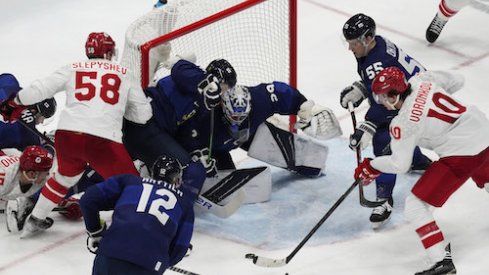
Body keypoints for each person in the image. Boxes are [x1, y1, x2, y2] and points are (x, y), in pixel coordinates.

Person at [0, 32, 153, 237]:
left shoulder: (72, 67)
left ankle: (36, 218)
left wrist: (14, 102)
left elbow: (40, 88)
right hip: (102, 140)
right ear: (108, 52)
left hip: (68, 134)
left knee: (64, 178)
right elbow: (143, 115)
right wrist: (123, 111)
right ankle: (139, 229)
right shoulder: (124, 72)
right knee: (132, 183)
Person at [354, 67, 489, 275]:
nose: (381, 102)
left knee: (416, 206)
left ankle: (440, 260)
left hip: (461, 152)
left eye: (382, 97)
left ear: (395, 94)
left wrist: (372, 166)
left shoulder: (404, 123)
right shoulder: (423, 79)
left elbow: (400, 165)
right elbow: (458, 80)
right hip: (483, 130)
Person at [340, 13, 433, 228]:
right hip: (416, 96)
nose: (350, 48)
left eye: (353, 43)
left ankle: (384, 198)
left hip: (416, 104)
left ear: (368, 38)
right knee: (392, 134)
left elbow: (385, 102)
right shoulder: (377, 45)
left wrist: (369, 125)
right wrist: (362, 88)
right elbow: (386, 80)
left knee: (384, 141)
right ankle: (416, 160)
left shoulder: (377, 59)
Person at [80, 155, 205, 275]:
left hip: (110, 253)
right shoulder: (184, 204)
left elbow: (88, 200)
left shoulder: (129, 181)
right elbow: (180, 248)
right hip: (149, 264)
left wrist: (95, 232)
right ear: (177, 180)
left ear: (152, 173)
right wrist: (159, 262)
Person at [0, 73, 57, 153]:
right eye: (42, 117)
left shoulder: (10, 83)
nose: (42, 122)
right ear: (34, 111)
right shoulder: (29, 134)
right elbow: (42, 156)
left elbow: (6, 77)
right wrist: (50, 147)